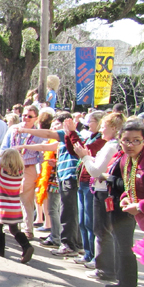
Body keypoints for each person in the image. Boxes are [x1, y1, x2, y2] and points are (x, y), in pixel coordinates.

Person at [19, 112, 82, 257]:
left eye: (57, 125)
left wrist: (25, 130)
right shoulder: (65, 139)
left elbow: (47, 135)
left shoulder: (71, 135)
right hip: (59, 177)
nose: (54, 128)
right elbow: (44, 147)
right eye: (53, 125)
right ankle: (60, 238)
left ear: (67, 123)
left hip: (68, 177)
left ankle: (68, 243)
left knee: (66, 212)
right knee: (57, 210)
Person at [74, 113, 124, 282]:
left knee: (101, 230)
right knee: (104, 230)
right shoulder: (113, 146)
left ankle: (104, 269)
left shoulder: (111, 146)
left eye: (104, 126)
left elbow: (95, 170)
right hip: (105, 190)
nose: (101, 128)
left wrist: (85, 156)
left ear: (114, 128)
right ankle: (107, 267)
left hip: (103, 191)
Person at [99, 118, 144, 287]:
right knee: (123, 245)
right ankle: (125, 286)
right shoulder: (126, 159)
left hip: (140, 210)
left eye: (136, 140)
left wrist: (139, 205)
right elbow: (128, 185)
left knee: (125, 247)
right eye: (126, 140)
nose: (130, 144)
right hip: (135, 213)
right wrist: (126, 199)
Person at [64, 110, 106, 265]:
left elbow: (84, 151)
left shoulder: (102, 141)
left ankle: (96, 255)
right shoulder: (92, 137)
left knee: (90, 221)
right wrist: (69, 134)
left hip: (92, 182)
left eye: (92, 120)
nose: (88, 123)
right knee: (82, 220)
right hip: (81, 181)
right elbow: (75, 151)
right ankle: (88, 253)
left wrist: (73, 132)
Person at [0, 148, 34, 264]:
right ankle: (26, 246)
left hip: (2, 205)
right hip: (15, 206)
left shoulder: (2, 171)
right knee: (14, 229)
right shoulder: (20, 172)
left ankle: (0, 249)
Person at [1, 105, 43, 237]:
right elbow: (5, 147)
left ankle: (28, 229)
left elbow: (42, 154)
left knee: (26, 198)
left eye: (30, 116)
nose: (26, 118)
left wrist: (42, 173)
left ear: (36, 118)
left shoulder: (38, 133)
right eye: (24, 115)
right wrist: (0, 165)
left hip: (28, 168)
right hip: (11, 168)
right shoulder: (13, 129)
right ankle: (14, 225)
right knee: (12, 198)